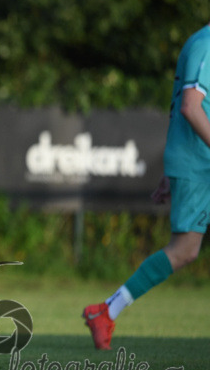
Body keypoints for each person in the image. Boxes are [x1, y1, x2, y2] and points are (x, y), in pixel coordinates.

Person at [84, 25, 210, 349]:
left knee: (186, 250)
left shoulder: (198, 41)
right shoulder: (206, 44)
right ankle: (106, 312)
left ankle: (107, 311)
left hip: (193, 159)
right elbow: (189, 106)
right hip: (199, 161)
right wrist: (178, 162)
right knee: (185, 249)